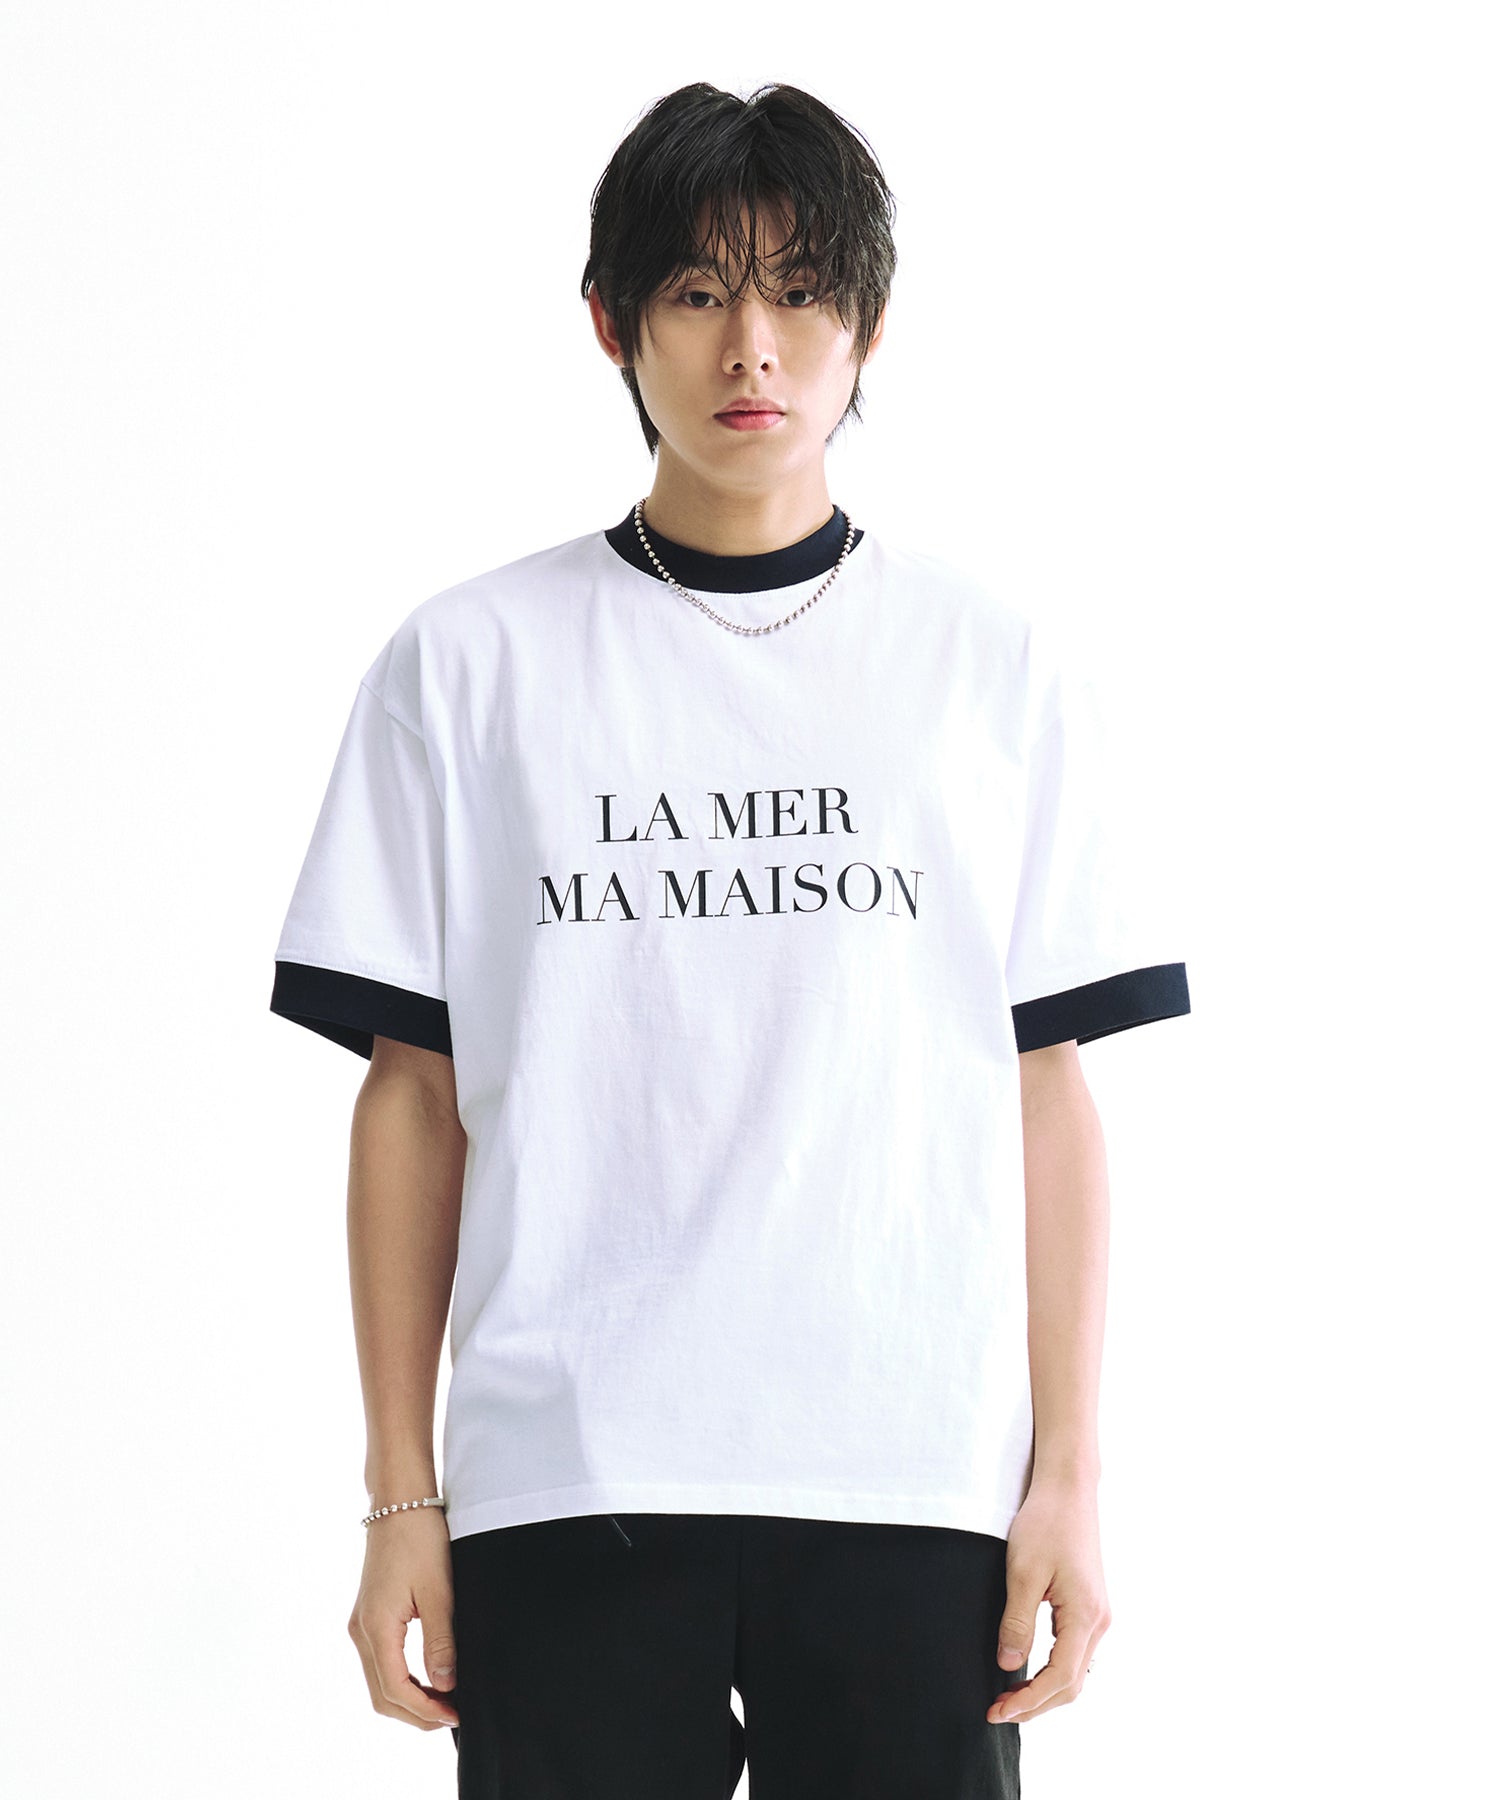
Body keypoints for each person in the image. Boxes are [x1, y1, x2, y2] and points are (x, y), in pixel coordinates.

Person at [269, 79, 1191, 1800]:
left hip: (912, 1479)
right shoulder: (468, 666)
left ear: (870, 329)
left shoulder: (988, 667)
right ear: (611, 322)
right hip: (569, 1477)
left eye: (799, 294)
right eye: (697, 292)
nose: (750, 348)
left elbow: (1044, 1088)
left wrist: (1067, 1473)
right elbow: (411, 1095)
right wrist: (403, 1497)